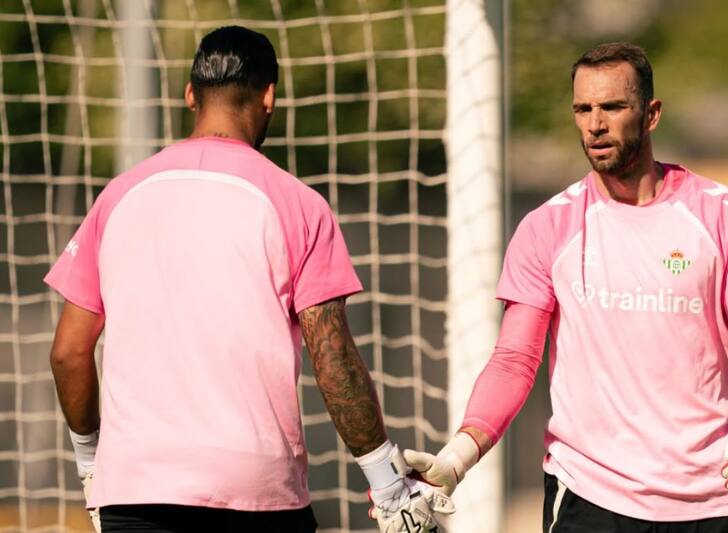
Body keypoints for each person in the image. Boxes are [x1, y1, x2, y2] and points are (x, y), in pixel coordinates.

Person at [46, 26, 448, 533]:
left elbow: (68, 352)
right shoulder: (296, 204)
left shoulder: (118, 196)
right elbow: (332, 358)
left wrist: (90, 461)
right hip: (255, 493)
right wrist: (386, 481)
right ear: (269, 97)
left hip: (134, 490)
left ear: (190, 94)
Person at [403, 42, 728, 532]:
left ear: (651, 114)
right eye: (583, 109)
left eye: (612, 107)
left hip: (718, 499)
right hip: (591, 498)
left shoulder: (721, 212)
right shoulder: (547, 226)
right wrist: (458, 457)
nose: (594, 124)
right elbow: (515, 360)